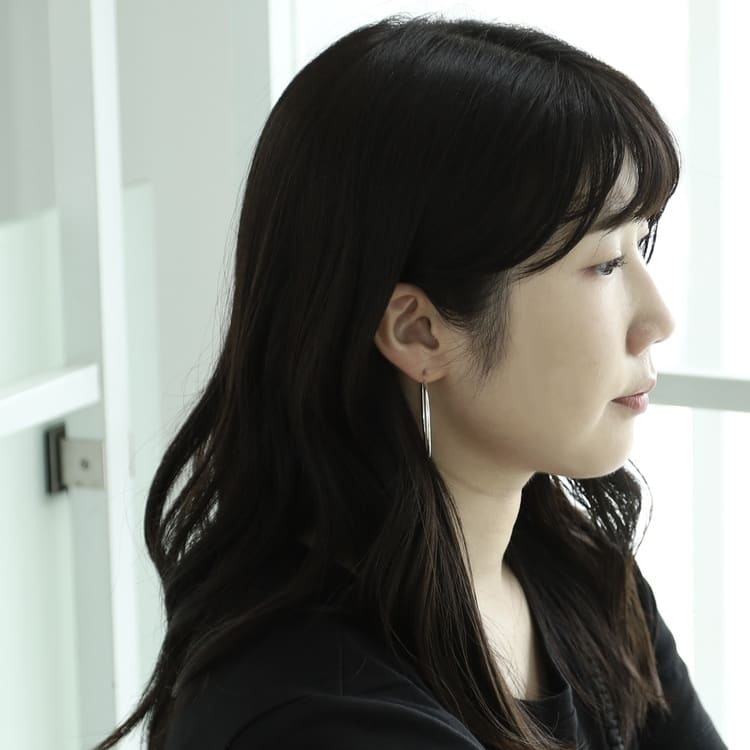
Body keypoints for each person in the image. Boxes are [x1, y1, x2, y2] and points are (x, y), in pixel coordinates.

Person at [94, 13, 728, 750]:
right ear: (419, 331)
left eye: (641, 244)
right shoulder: (321, 716)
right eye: (606, 264)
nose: (658, 319)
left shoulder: (576, 578)